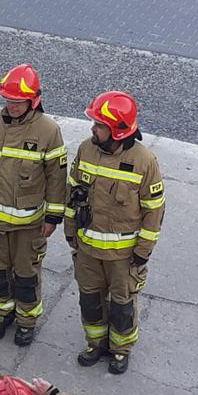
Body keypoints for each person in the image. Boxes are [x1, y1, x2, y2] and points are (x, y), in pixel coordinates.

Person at [0, 64, 66, 346]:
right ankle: (1, 315)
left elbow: (57, 179)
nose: (12, 106)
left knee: (25, 276)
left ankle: (26, 322)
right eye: (8, 100)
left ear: (33, 100)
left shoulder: (48, 131)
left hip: (28, 226)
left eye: (18, 102)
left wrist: (53, 218)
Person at [68, 92, 165, 374]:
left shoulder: (144, 161)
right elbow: (73, 192)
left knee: (122, 305)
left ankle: (120, 350)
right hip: (87, 249)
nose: (92, 129)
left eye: (99, 124)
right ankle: (95, 344)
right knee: (90, 299)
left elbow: (154, 210)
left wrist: (143, 251)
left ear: (118, 130)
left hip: (123, 256)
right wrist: (71, 230)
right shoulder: (86, 149)